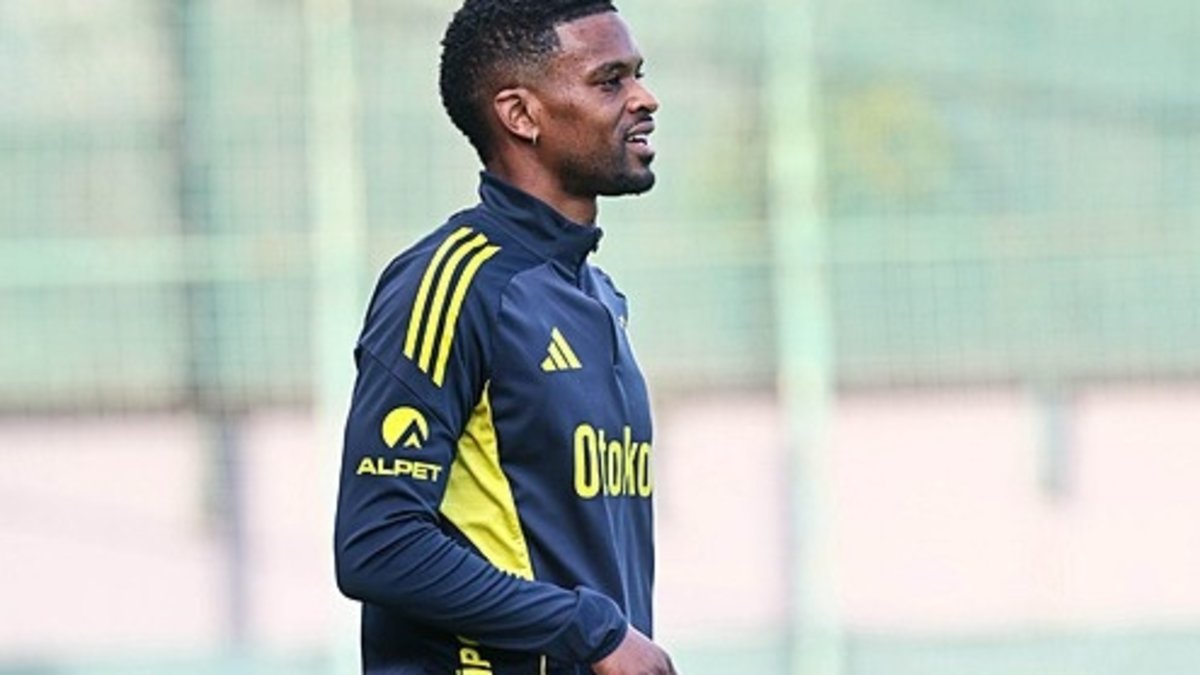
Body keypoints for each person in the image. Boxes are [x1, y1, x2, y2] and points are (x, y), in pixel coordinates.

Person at [334, 1, 675, 673]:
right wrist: (591, 631)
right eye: (610, 80)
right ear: (521, 115)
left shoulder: (598, 297)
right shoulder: (452, 282)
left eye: (638, 74)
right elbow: (379, 542)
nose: (644, 98)